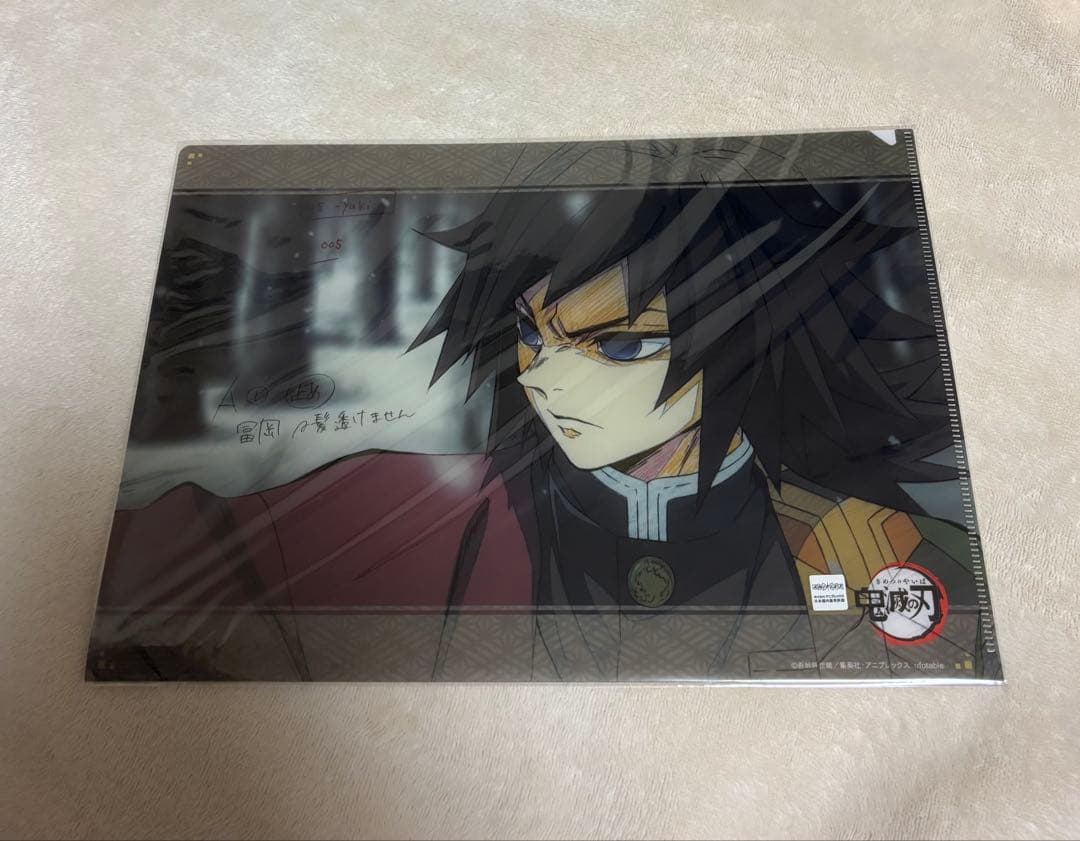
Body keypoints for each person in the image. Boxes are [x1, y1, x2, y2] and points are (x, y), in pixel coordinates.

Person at [90, 139, 977, 681]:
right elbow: (170, 571)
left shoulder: (869, 548)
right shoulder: (418, 517)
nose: (546, 377)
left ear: (761, 336)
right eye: (531, 331)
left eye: (618, 344)